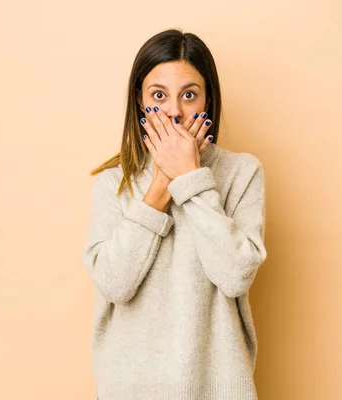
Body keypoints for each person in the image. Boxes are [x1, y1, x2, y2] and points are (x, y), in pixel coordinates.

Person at [83, 28, 268, 400]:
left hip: (218, 387)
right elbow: (114, 284)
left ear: (207, 99)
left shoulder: (242, 173)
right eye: (158, 95)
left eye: (188, 94)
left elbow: (235, 276)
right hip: (129, 389)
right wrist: (162, 182)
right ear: (139, 100)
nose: (173, 111)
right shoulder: (113, 182)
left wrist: (192, 178)